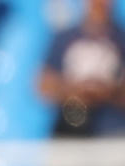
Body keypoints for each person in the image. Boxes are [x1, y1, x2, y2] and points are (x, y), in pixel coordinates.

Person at [38, 0, 125, 139]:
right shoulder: (64, 37)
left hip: (113, 132)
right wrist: (74, 90)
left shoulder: (121, 39)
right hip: (69, 128)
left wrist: (108, 90)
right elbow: (43, 86)